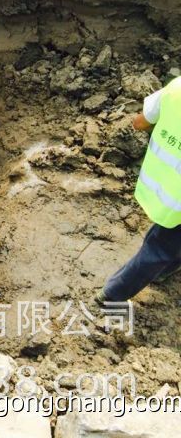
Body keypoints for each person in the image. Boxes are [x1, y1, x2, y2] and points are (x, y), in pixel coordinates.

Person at [98, 76, 181, 303]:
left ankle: (166, 268)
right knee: (160, 248)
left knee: (166, 243)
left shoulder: (177, 88)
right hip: (176, 201)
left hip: (164, 183)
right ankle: (112, 295)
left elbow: (140, 122)